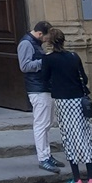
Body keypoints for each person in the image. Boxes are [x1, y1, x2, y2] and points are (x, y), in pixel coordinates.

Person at [42, 27, 92, 183]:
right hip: (79, 100)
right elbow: (84, 78)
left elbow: (44, 79)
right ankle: (91, 178)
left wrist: (56, 86)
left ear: (50, 42)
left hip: (63, 101)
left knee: (69, 136)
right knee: (85, 135)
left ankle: (77, 179)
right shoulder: (74, 56)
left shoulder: (49, 59)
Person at [17, 20, 64, 172]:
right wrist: (45, 61)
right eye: (46, 37)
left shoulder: (36, 43)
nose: (47, 40)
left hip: (44, 87)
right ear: (39, 33)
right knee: (41, 124)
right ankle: (43, 158)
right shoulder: (26, 43)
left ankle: (47, 155)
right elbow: (24, 66)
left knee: (47, 123)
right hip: (37, 89)